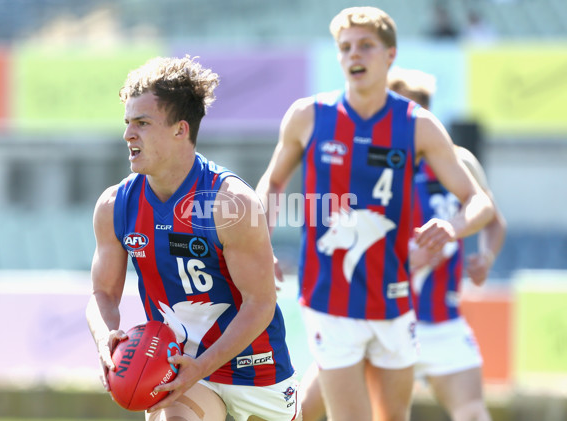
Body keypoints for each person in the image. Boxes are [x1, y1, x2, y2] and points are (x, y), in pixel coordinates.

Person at [255, 7, 494, 421]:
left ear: (390, 54)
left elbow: (481, 203)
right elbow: (274, 182)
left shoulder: (417, 124)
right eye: (345, 48)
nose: (354, 55)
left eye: (366, 45)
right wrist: (260, 245)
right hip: (329, 296)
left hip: (395, 296)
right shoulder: (307, 116)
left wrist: (452, 227)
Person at [85, 56, 300, 421]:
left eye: (142, 123)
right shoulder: (114, 206)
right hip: (178, 367)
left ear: (180, 130)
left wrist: (201, 365)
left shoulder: (230, 203)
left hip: (256, 370)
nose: (128, 135)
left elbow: (260, 304)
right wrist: (106, 335)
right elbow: (102, 293)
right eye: (127, 123)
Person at [390, 67, 506, 421]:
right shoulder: (376, 165)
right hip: (389, 321)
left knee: (472, 412)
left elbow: (494, 221)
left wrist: (485, 256)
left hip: (444, 321)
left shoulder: (458, 162)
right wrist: (410, 260)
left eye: (420, 111)